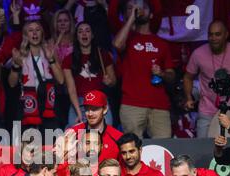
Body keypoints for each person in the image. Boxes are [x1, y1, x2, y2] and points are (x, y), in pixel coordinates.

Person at [113, 0, 175, 139]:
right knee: (132, 149)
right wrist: (131, 19)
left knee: (163, 149)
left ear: (152, 15)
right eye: (135, 8)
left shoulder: (162, 44)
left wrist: (162, 74)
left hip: (159, 106)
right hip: (132, 104)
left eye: (144, 7)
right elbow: (117, 44)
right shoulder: (127, 39)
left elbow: (172, 75)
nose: (140, 9)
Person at [184, 20, 230, 138]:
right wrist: (189, 98)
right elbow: (188, 77)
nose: (213, 38)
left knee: (227, 148)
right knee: (203, 148)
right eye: (210, 34)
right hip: (206, 109)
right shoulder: (198, 53)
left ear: (226, 35)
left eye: (217, 34)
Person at [8, 20, 64, 132]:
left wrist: (51, 59)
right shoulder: (21, 55)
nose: (34, 33)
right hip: (27, 104)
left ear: (42, 34)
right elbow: (12, 83)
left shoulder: (49, 52)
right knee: (29, 146)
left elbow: (61, 80)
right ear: (26, 35)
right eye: (31, 30)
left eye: (37, 30)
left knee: (49, 144)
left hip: (47, 105)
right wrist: (16, 65)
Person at [63, 22, 116, 126]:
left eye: (87, 31)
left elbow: (113, 81)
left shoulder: (103, 55)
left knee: (107, 131)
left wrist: (109, 82)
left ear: (92, 35)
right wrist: (78, 113)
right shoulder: (69, 59)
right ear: (77, 36)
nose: (84, 34)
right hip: (79, 102)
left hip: (100, 100)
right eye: (80, 31)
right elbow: (71, 89)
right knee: (74, 134)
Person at [68, 90, 123, 162]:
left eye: (95, 109)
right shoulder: (73, 133)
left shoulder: (117, 137)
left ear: (105, 109)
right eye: (87, 109)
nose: (90, 113)